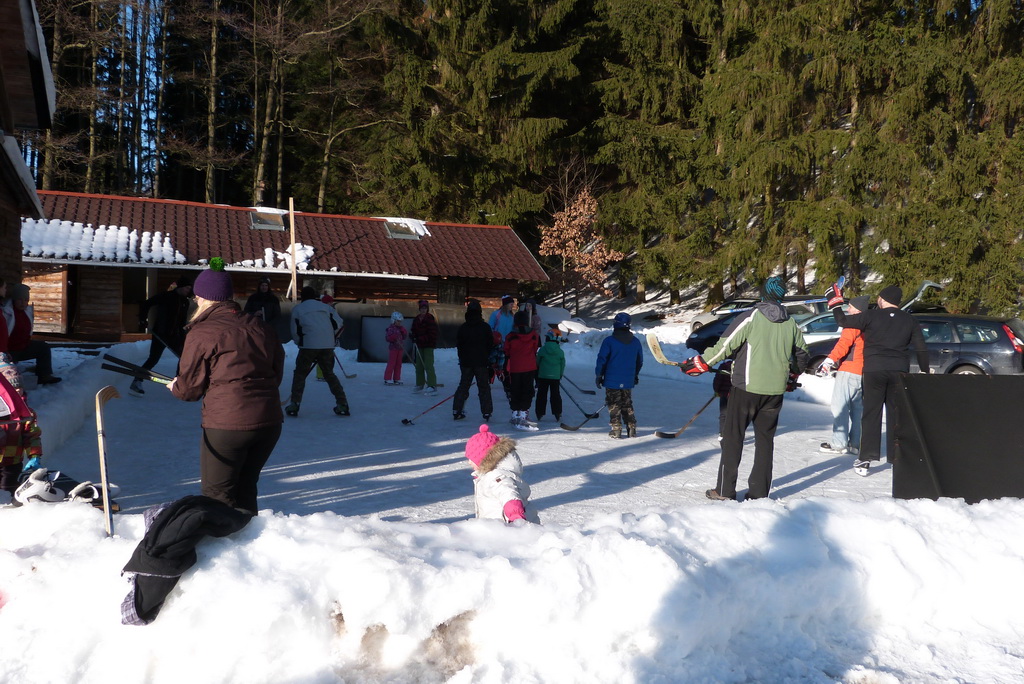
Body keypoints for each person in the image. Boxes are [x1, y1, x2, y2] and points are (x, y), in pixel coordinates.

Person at [166, 258, 285, 512]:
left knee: (217, 495)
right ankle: (246, 532)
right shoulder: (260, 326)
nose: (196, 301)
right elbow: (276, 374)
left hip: (228, 424)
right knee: (246, 486)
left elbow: (189, 390)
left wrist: (177, 386)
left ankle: (224, 536)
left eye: (198, 297)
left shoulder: (202, 332)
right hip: (269, 421)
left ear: (204, 298)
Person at [682, 276, 809, 501]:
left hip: (746, 388)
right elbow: (802, 354)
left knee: (733, 438)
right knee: (765, 441)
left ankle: (725, 491)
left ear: (763, 294)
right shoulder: (790, 323)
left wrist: (700, 363)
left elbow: (724, 345)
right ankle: (759, 493)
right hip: (774, 392)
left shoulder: (750, 317)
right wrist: (792, 375)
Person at [829, 283, 929, 476]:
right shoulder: (909, 320)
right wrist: (924, 371)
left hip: (874, 369)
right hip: (898, 371)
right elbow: (921, 347)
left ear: (882, 299)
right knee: (895, 415)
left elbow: (842, 321)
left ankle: (865, 458)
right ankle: (895, 459)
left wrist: (835, 302)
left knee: (871, 414)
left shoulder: (871, 315)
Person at [817, 295, 869, 456]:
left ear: (858, 310)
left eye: (851, 307)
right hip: (862, 371)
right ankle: (856, 443)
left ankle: (838, 443)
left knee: (840, 407)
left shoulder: (853, 324)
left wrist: (829, 361)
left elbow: (843, 345)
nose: (848, 309)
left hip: (848, 370)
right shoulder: (869, 324)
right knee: (857, 409)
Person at [285, 286, 349, 416]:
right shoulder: (326, 308)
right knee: (329, 374)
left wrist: (300, 343)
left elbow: (294, 331)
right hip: (327, 346)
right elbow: (340, 323)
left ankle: (294, 404)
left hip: (308, 346)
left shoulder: (298, 309)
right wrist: (332, 338)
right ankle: (342, 403)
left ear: (302, 297)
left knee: (300, 374)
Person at [463, 424, 539, 524]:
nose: (469, 462)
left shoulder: (497, 477)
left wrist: (516, 518)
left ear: (483, 459)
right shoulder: (490, 475)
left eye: (472, 459)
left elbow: (509, 495)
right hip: (497, 529)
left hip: (509, 529)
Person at [132, 277, 193, 395]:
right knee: (153, 359)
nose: (188, 290)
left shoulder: (185, 302)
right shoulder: (166, 296)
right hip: (160, 333)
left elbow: (182, 321)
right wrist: (142, 319)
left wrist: (183, 336)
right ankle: (137, 381)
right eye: (186, 288)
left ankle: (178, 382)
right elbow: (147, 303)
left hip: (175, 335)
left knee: (183, 357)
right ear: (180, 287)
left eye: (189, 288)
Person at [595, 312, 644, 439]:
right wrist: (634, 375)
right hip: (628, 379)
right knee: (627, 403)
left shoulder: (609, 341)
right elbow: (639, 361)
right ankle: (631, 428)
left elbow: (602, 360)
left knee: (614, 403)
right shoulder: (635, 342)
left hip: (612, 379)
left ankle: (616, 429)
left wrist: (599, 375)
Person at [0, 374, 43, 505]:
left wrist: (34, 455)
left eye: (20, 387)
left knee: (8, 488)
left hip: (12, 462)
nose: (18, 390)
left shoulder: (27, 414)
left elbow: (32, 436)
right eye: (14, 388)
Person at [7, 284, 61, 385]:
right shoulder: (7, 313)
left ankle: (44, 376)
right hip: (10, 351)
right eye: (20, 299)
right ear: (14, 300)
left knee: (43, 347)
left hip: (23, 347)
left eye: (25, 300)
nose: (23, 303)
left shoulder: (27, 312)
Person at [453, 299, 494, 421]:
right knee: (484, 387)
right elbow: (490, 344)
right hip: (481, 362)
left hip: (466, 362)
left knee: (463, 386)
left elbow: (459, 345)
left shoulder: (463, 328)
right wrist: (487, 357)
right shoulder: (485, 327)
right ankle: (487, 412)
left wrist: (462, 358)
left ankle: (457, 409)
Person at [503, 310, 541, 430]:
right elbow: (535, 349)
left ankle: (515, 413)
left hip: (515, 367)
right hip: (529, 366)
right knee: (527, 390)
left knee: (515, 389)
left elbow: (506, 351)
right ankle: (524, 413)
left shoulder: (510, 336)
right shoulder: (534, 335)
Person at [488, 295, 516, 400]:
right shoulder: (496, 314)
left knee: (505, 368)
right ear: (505, 304)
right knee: (492, 366)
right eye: (511, 303)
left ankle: (508, 389)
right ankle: (486, 385)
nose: (512, 305)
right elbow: (490, 328)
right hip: (496, 345)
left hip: (507, 346)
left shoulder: (512, 316)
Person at [535, 329, 565, 422]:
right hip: (555, 377)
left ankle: (539, 412)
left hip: (543, 376)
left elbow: (537, 362)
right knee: (555, 394)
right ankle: (557, 412)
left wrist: (538, 371)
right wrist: (560, 374)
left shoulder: (542, 350)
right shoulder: (560, 352)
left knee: (541, 394)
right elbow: (562, 365)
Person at [411, 300, 439, 394]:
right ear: (419, 309)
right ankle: (420, 383)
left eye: (425, 308)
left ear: (427, 309)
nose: (423, 310)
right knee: (419, 366)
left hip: (428, 345)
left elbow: (432, 333)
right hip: (420, 345)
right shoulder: (416, 319)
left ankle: (432, 385)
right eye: (422, 308)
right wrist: (413, 336)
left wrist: (420, 338)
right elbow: (413, 329)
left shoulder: (430, 318)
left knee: (428, 365)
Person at [384, 312, 408, 385]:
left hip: (400, 348)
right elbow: (387, 338)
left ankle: (396, 378)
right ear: (393, 320)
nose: (399, 323)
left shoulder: (400, 328)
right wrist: (392, 337)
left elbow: (404, 337)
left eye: (400, 321)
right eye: (398, 321)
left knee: (398, 364)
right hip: (393, 349)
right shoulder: (391, 329)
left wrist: (404, 332)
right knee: (392, 363)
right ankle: (387, 378)